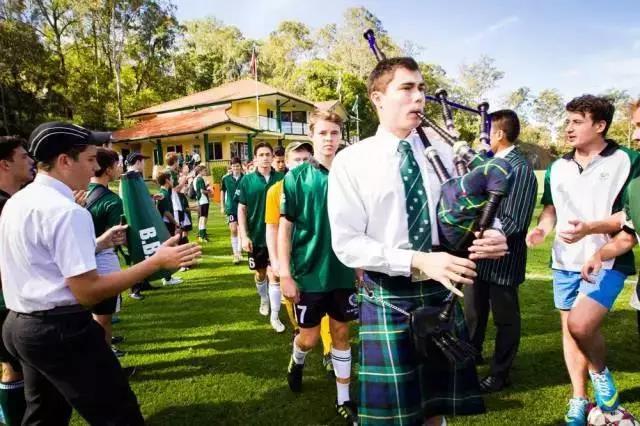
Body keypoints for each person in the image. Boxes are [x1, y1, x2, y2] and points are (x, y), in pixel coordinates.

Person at [327, 57, 508, 425]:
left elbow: (476, 206)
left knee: (434, 410)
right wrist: (418, 260)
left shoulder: (446, 154)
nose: (419, 97)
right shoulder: (352, 161)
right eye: (407, 88)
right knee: (393, 418)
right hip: (388, 295)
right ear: (378, 98)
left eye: (422, 89)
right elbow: (347, 243)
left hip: (441, 295)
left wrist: (495, 232)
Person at [0, 121, 201, 425]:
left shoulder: (19, 201)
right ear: (64, 161)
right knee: (119, 415)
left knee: (45, 416)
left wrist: (97, 244)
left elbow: (39, 260)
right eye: (91, 159)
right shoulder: (66, 211)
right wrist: (155, 262)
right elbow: (88, 292)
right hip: (60, 330)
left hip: (21, 325)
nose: (96, 168)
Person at [526, 95, 640, 424]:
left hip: (608, 258)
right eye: (568, 121)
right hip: (564, 261)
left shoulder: (628, 160)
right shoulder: (557, 168)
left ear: (600, 125)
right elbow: (550, 208)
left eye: (577, 121)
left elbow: (630, 214)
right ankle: (579, 399)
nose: (569, 128)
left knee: (582, 324)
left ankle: (600, 374)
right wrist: (542, 229)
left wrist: (590, 228)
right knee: (569, 330)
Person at [280, 111, 359, 423]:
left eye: (334, 133)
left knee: (341, 332)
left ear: (340, 136)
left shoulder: (350, 174)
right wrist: (285, 273)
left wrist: (360, 266)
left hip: (343, 270)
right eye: (323, 133)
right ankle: (297, 358)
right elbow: (285, 229)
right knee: (310, 339)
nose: (329, 139)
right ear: (312, 136)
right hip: (309, 272)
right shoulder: (296, 178)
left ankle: (344, 398)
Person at [463, 110, 538, 393]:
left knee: (505, 320)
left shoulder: (520, 169)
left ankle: (500, 373)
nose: (481, 137)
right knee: (473, 312)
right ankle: (469, 358)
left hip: (503, 259)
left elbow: (514, 220)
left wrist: (483, 235)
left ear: (498, 134)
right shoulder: (490, 163)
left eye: (485, 131)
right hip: (479, 255)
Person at [0, 136, 33, 425]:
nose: (31, 161)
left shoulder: (13, 203)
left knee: (16, 366)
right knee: (12, 367)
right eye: (24, 156)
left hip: (14, 299)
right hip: (5, 300)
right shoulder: (3, 207)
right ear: (5, 164)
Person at [86, 148, 128, 358]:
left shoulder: (79, 192)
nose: (120, 168)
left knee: (92, 314)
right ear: (108, 170)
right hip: (102, 259)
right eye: (117, 164)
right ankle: (105, 357)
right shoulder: (111, 200)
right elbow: (119, 237)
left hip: (79, 259)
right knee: (103, 317)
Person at [237, 143, 284, 327]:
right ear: (255, 159)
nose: (265, 158)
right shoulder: (246, 181)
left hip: (278, 237)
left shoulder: (282, 178)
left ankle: (275, 316)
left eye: (268, 154)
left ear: (272, 157)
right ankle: (264, 299)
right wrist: (244, 235)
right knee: (261, 274)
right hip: (256, 237)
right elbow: (241, 209)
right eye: (261, 155)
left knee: (275, 274)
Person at [220, 157, 244, 264]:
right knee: (233, 229)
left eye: (237, 166)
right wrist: (222, 206)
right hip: (231, 208)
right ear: (231, 167)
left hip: (243, 207)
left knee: (241, 230)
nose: (236, 168)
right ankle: (235, 254)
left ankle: (239, 251)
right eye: (234, 166)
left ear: (240, 166)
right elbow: (222, 192)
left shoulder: (245, 178)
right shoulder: (225, 179)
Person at [193, 165, 210, 243]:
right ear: (200, 171)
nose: (205, 172)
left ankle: (200, 235)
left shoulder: (195, 179)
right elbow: (202, 191)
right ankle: (203, 236)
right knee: (203, 218)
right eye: (204, 170)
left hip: (200, 200)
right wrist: (209, 191)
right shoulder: (200, 179)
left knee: (201, 218)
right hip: (203, 200)